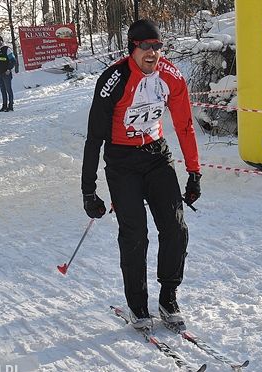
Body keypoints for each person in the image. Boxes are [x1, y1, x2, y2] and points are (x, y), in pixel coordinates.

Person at [81, 19, 202, 331]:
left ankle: (168, 297)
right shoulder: (114, 80)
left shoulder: (171, 77)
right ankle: (137, 303)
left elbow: (185, 125)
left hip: (156, 155)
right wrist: (88, 190)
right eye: (146, 46)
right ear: (132, 48)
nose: (153, 53)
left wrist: (194, 172)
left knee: (175, 228)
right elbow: (94, 138)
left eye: (158, 46)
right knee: (135, 235)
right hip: (122, 161)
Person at [0, 35, 16, 112]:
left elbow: (13, 60)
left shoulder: (7, 49)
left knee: (8, 90)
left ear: (2, 41)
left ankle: (11, 106)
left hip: (6, 73)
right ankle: (4, 106)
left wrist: (9, 69)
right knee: (2, 90)